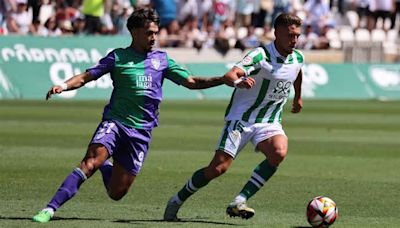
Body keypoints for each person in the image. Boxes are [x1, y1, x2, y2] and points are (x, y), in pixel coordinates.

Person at [32, 7, 254, 223]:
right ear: (134, 32)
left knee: (117, 193)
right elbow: (86, 77)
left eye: (156, 32)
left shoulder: (162, 60)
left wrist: (223, 80)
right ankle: (49, 209)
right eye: (149, 33)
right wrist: (63, 85)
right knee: (90, 162)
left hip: (141, 133)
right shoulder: (118, 57)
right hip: (116, 123)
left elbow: (192, 82)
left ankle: (106, 166)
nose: (154, 37)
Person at [164, 13, 304, 221]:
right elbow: (231, 74)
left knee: (279, 152)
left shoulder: (297, 57)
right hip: (241, 120)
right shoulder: (260, 55)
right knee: (217, 169)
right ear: (276, 33)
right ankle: (177, 199)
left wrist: (297, 98)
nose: (294, 40)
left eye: (297, 36)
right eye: (289, 35)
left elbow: (297, 72)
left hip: (269, 120)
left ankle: (240, 200)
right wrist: (238, 82)